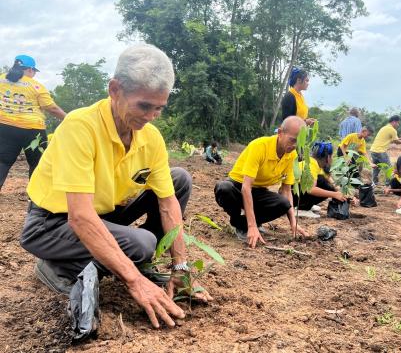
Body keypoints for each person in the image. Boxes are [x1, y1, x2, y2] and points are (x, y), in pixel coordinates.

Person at [20, 45, 211, 329]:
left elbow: (168, 203)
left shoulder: (150, 137)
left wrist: (181, 267)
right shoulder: (80, 126)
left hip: (103, 214)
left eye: (159, 108)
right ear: (115, 89)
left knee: (179, 178)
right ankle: (55, 267)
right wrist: (135, 281)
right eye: (144, 105)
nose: (151, 116)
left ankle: (123, 259)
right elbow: (80, 216)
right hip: (51, 223)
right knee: (141, 243)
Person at [214, 116, 308, 248]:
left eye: (298, 142)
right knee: (224, 188)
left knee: (283, 204)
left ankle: (246, 224)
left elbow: (286, 190)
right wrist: (251, 225)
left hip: (259, 191)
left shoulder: (291, 155)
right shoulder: (259, 146)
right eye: (292, 140)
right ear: (280, 133)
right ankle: (243, 225)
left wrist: (294, 222)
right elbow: (246, 188)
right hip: (238, 186)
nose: (294, 146)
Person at [0, 55, 66, 190]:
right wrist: (70, 117)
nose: (34, 74)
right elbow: (51, 108)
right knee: (37, 165)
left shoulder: (1, 78)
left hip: (4, 127)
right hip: (32, 131)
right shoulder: (36, 86)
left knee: (2, 162)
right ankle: (35, 202)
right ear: (30, 69)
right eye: (34, 71)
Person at [293, 141, 347, 218]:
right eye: (332, 156)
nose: (332, 158)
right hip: (292, 194)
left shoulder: (316, 163)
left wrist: (342, 193)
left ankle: (304, 205)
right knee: (324, 184)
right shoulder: (311, 165)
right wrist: (334, 194)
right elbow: (311, 189)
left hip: (295, 193)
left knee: (327, 183)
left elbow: (331, 181)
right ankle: (302, 207)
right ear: (328, 157)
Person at [370, 115, 401, 185]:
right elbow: (397, 142)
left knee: (376, 168)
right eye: (398, 123)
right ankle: (388, 184)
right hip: (380, 151)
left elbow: (393, 140)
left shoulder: (385, 128)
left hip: (373, 151)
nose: (398, 125)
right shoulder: (392, 130)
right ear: (394, 122)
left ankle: (374, 183)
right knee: (389, 168)